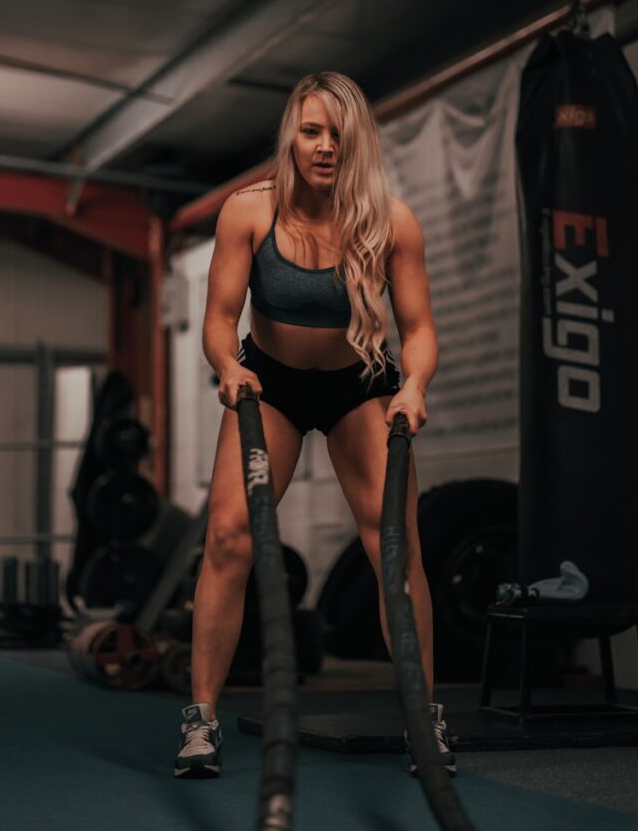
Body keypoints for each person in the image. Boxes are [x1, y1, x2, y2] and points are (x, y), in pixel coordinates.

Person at [174, 72, 455, 779]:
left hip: (361, 386)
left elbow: (418, 329)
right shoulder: (248, 212)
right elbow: (216, 320)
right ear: (291, 137)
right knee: (228, 538)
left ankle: (424, 716)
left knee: (395, 548)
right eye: (311, 131)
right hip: (269, 383)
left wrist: (414, 384)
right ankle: (200, 719)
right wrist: (226, 368)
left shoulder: (391, 221)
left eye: (338, 133)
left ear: (354, 141)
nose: (325, 146)